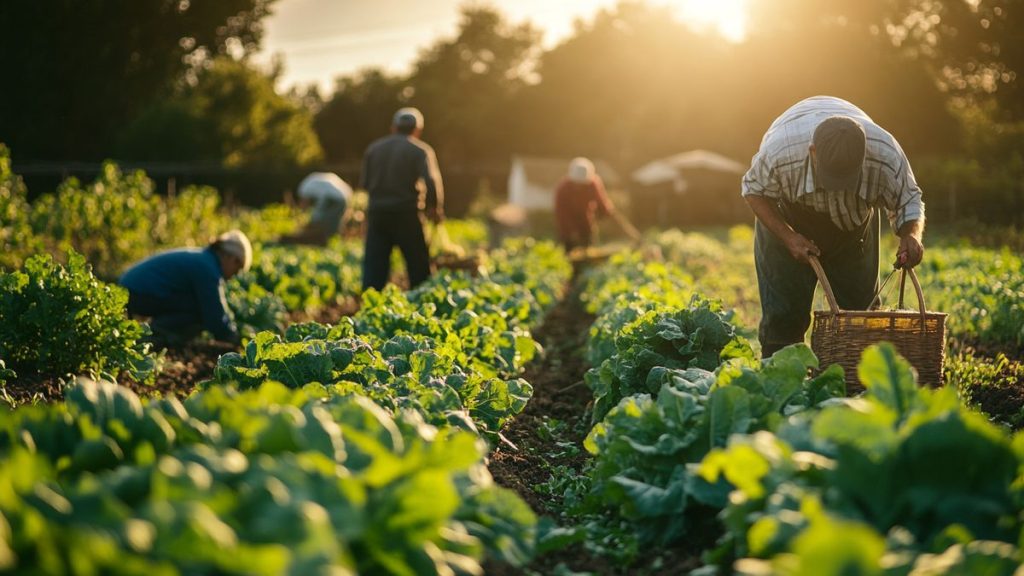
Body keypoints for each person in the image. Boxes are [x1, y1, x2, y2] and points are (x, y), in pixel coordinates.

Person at [742, 95, 925, 358]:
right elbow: (752, 190)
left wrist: (911, 235)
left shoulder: (885, 153)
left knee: (860, 315)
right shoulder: (781, 151)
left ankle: (855, 385)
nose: (838, 186)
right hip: (789, 216)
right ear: (813, 152)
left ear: (864, 157)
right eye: (832, 177)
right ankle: (781, 380)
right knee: (784, 314)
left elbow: (908, 198)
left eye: (846, 178)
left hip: (853, 228)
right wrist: (789, 237)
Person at [119, 230, 252, 347]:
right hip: (136, 293)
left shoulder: (204, 259)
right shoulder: (207, 268)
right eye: (237, 268)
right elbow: (214, 315)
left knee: (196, 304)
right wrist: (234, 338)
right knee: (199, 308)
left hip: (132, 289)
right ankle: (155, 334)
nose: (235, 275)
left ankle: (158, 332)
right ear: (230, 257)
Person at [360, 107, 444, 291]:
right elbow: (432, 180)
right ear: (417, 130)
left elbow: (365, 184)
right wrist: (434, 208)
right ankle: (420, 306)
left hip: (378, 213)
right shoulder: (420, 150)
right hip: (407, 214)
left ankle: (369, 305)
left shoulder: (374, 149)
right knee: (417, 264)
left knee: (375, 263)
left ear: (393, 127)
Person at [554, 157, 640, 251]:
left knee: (590, 255)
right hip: (567, 232)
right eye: (577, 184)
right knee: (572, 258)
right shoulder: (562, 189)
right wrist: (573, 235)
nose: (579, 187)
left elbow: (604, 208)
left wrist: (628, 231)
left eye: (582, 184)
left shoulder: (593, 184)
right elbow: (562, 216)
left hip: (587, 226)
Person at [278, 172, 352, 246]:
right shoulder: (309, 183)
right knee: (332, 222)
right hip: (343, 198)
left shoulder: (303, 189)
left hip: (333, 198)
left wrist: (310, 219)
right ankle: (332, 240)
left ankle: (322, 239)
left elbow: (305, 205)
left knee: (318, 219)